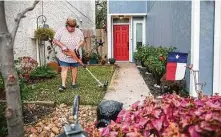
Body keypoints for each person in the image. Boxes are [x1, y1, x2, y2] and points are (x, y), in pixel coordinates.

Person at [53, 17, 84, 91]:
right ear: (67, 25)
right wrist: (62, 46)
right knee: (64, 68)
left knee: (74, 68)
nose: (73, 29)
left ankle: (73, 83)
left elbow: (82, 40)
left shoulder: (78, 31)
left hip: (75, 54)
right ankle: (63, 85)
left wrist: (78, 46)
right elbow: (55, 40)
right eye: (71, 27)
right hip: (64, 54)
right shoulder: (61, 30)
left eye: (74, 27)